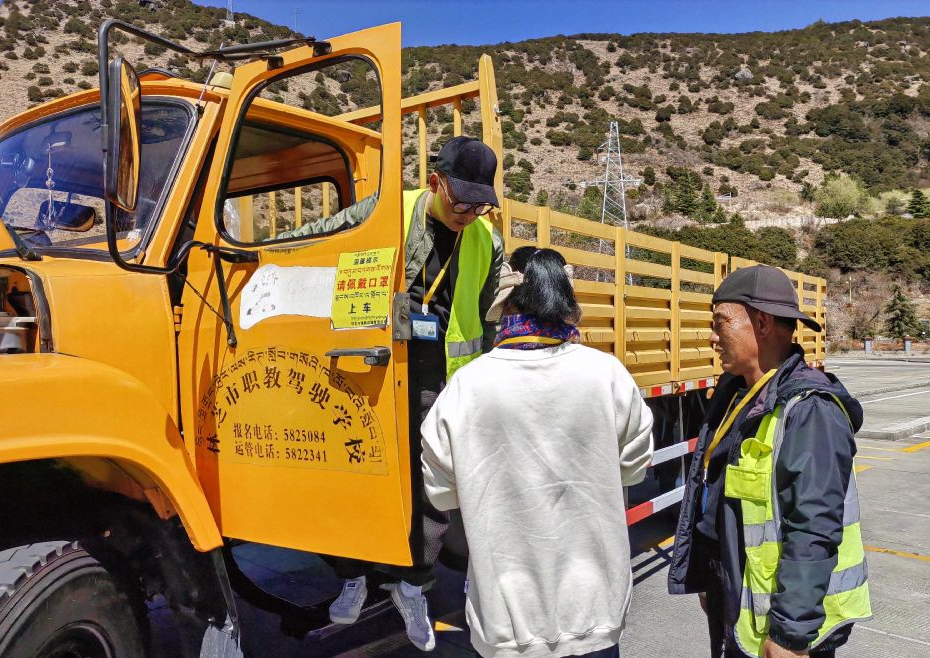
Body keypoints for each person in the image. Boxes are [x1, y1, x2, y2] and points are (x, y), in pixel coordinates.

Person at [280, 136, 504, 651]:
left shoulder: (486, 241)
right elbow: (315, 237)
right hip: (372, 368)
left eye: (479, 203)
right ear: (435, 183)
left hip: (440, 377)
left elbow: (489, 322)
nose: (469, 213)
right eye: (460, 200)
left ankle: (413, 587)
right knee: (357, 474)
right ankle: (354, 575)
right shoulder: (386, 212)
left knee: (429, 490)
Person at [421, 247, 654, 658]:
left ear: (506, 302)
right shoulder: (608, 375)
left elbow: (440, 490)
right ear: (565, 300)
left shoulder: (467, 386)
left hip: (506, 621)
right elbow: (634, 468)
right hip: (595, 613)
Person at [668, 265, 872, 658]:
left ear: (761, 323)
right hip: (734, 597)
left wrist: (790, 635)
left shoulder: (809, 411)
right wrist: (712, 580)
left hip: (781, 625)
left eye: (721, 323)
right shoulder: (735, 397)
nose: (712, 337)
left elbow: (813, 528)